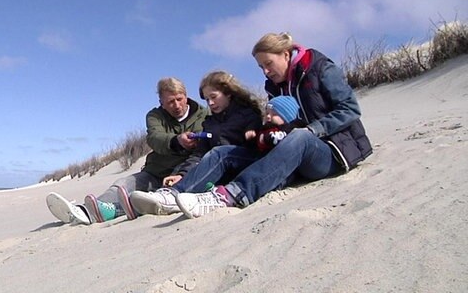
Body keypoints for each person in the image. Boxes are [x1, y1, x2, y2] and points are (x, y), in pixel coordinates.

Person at [132, 32, 373, 219]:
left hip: (331, 152)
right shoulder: (275, 86)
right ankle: (174, 197)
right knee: (221, 153)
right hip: (290, 154)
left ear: (286, 54)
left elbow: (350, 109)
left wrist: (312, 130)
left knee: (300, 137)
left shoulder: (320, 68)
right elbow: (279, 127)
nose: (265, 72)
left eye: (268, 64)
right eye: (261, 68)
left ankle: (231, 195)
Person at [46, 77, 209, 225]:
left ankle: (113, 211)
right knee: (122, 185)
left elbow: (203, 152)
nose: (177, 105)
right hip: (155, 171)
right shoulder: (154, 116)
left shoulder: (204, 116)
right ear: (161, 102)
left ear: (186, 96)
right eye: (170, 102)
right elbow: (155, 138)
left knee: (146, 200)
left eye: (179, 99)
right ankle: (85, 212)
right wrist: (176, 140)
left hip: (183, 173)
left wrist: (182, 171)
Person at [129, 70, 263, 216]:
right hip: (218, 170)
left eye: (213, 97)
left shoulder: (248, 114)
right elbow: (198, 154)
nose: (210, 103)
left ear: (228, 93)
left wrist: (253, 131)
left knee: (219, 153)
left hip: (246, 165)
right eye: (206, 99)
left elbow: (261, 137)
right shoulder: (210, 122)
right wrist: (181, 174)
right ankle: (136, 207)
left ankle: (174, 195)